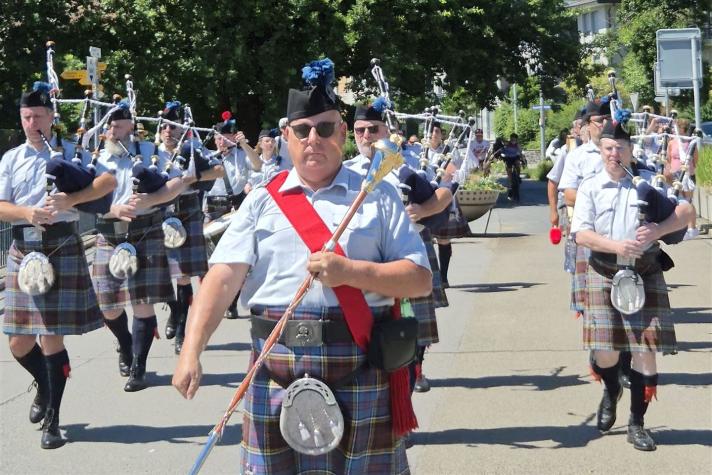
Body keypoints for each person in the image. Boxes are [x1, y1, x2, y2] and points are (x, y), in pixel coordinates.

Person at [173, 58, 432, 473]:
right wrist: (191, 350)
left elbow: (419, 280)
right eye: (302, 130)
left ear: (342, 134)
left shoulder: (377, 197)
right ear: (286, 136)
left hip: (359, 362)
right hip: (274, 366)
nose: (314, 139)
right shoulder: (261, 200)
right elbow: (221, 280)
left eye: (325, 129)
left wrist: (351, 273)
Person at [0, 82, 116, 448]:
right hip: (23, 250)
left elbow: (108, 181)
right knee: (18, 342)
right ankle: (46, 386)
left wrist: (72, 200)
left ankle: (53, 420)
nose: (31, 123)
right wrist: (26, 213)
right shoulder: (11, 159)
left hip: (62, 246)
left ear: (52, 117)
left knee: (51, 338)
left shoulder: (73, 152)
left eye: (38, 116)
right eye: (26, 117)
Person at [571, 119, 693, 451]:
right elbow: (581, 234)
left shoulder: (649, 181)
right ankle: (611, 389)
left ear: (630, 151)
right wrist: (617, 246)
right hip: (603, 271)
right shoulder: (591, 186)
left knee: (646, 352)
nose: (614, 154)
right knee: (606, 354)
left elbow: (686, 211)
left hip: (645, 272)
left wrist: (658, 230)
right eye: (609, 148)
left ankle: (637, 424)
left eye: (620, 148)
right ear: (601, 151)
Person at [344, 100, 452, 393]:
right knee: (373, 318)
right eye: (360, 130)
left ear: (386, 131)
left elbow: (445, 193)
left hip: (410, 246)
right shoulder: (346, 171)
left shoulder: (409, 163)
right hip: (369, 253)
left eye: (373, 129)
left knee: (414, 317)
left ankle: (416, 368)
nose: (366, 136)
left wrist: (424, 210)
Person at [93, 100, 192, 391]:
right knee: (108, 305)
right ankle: (125, 343)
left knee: (142, 303)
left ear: (131, 126)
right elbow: (84, 195)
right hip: (109, 233)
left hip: (144, 230)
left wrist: (152, 199)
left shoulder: (151, 152)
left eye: (118, 125)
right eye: (109, 125)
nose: (112, 130)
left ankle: (139, 367)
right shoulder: (97, 157)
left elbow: (178, 182)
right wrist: (112, 208)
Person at [155, 102, 226, 354]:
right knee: (160, 273)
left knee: (184, 275)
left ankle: (182, 331)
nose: (168, 131)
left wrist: (191, 176)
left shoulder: (193, 148)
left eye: (172, 127)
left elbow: (219, 170)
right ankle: (175, 311)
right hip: (159, 213)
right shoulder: (151, 151)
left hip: (187, 210)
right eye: (164, 127)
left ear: (181, 129)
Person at [204, 111, 260, 319]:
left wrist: (244, 144)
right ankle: (214, 299)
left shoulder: (241, 155)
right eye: (218, 138)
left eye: (225, 138)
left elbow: (258, 166)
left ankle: (232, 302)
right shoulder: (208, 157)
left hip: (235, 208)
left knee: (235, 259)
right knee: (212, 259)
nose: (221, 142)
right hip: (212, 209)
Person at [666, 118, 699, 240]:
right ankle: (681, 227)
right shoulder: (672, 143)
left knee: (688, 201)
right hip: (675, 174)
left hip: (688, 175)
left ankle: (692, 228)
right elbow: (669, 158)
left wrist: (689, 171)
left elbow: (695, 159)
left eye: (679, 128)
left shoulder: (691, 142)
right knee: (678, 201)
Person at [501, 133, 523, 201]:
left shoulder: (518, 145)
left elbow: (520, 152)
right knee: (509, 170)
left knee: (518, 163)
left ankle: (518, 175)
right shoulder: (507, 144)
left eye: (515, 139)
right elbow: (502, 150)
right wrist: (503, 154)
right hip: (508, 158)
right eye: (512, 139)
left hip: (515, 157)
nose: (513, 141)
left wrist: (521, 156)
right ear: (510, 139)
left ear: (516, 139)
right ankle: (510, 186)